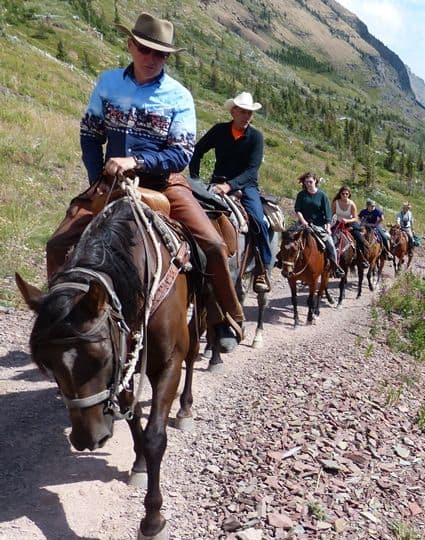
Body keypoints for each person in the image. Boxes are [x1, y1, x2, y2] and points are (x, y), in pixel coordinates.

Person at [45, 12, 244, 351]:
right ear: (131, 45)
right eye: (145, 49)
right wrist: (98, 180)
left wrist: (136, 161)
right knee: (57, 244)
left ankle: (228, 316)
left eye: (160, 54)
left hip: (163, 183)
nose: (152, 59)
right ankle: (61, 316)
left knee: (212, 244)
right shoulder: (108, 83)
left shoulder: (178, 96)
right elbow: (90, 135)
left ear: (167, 57)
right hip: (113, 182)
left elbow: (181, 154)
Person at [189, 91, 271, 293]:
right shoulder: (219, 130)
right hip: (217, 182)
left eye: (249, 113)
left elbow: (252, 169)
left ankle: (262, 268)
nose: (246, 116)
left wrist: (230, 186)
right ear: (233, 111)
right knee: (190, 211)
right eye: (243, 112)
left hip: (246, 186)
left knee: (259, 221)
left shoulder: (256, 137)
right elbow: (197, 151)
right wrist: (196, 179)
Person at [293, 172, 345, 278]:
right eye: (306, 182)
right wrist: (303, 221)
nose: (308, 184)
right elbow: (297, 210)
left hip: (319, 225)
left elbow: (328, 213)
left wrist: (327, 225)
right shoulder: (301, 195)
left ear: (315, 181)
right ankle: (282, 262)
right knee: (289, 239)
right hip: (303, 224)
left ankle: (335, 268)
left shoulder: (322, 195)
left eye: (310, 182)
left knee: (330, 244)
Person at [332, 185, 369, 269]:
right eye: (343, 193)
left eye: (346, 194)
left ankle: (363, 258)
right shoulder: (336, 202)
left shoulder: (352, 204)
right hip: (337, 223)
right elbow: (332, 214)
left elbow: (355, 218)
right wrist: (334, 220)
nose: (344, 195)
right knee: (327, 236)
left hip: (350, 223)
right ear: (340, 194)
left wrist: (347, 220)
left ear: (349, 194)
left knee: (360, 239)